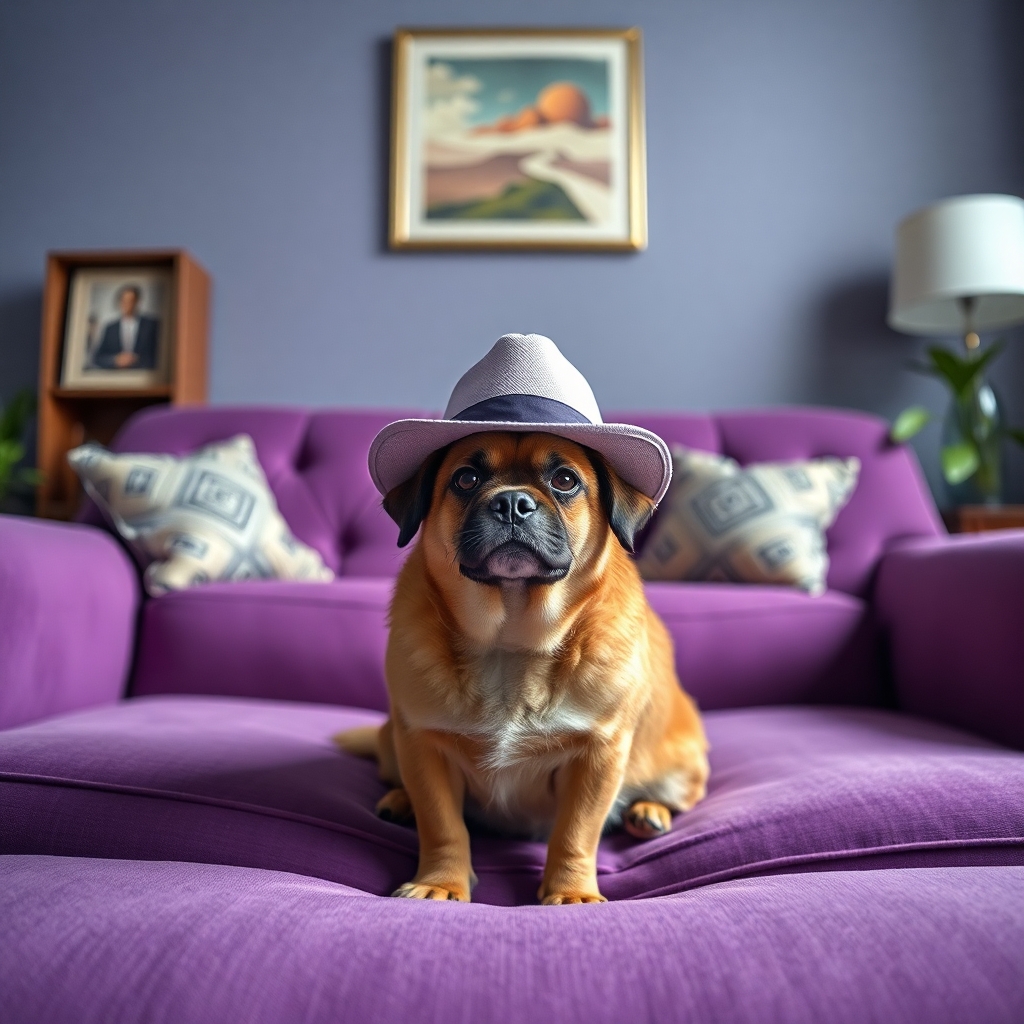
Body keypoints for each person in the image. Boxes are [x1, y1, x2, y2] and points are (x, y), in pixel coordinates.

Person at [91, 285, 160, 370]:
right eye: (124, 301)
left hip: (142, 374)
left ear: (137, 302)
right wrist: (115, 360)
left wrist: (136, 360)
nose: (127, 304)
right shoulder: (110, 328)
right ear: (119, 302)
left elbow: (159, 355)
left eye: (131, 301)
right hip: (117, 377)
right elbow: (98, 358)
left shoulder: (151, 325)